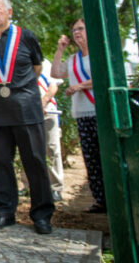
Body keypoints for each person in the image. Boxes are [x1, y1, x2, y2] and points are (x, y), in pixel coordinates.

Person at [0, 0, 54, 235]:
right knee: (1, 164)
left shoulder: (26, 36)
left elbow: (37, 67)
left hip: (27, 109)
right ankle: (5, 212)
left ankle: (42, 215)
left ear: (9, 11)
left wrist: (18, 86)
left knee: (35, 161)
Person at [51, 18, 106, 214]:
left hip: (101, 112)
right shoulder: (73, 60)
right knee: (91, 159)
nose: (77, 33)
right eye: (74, 30)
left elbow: (104, 76)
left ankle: (115, 198)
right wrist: (60, 50)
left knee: (107, 156)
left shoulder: (100, 55)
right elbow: (56, 72)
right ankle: (100, 199)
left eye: (81, 29)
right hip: (82, 114)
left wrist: (80, 86)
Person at [20, 60, 64, 202]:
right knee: (26, 148)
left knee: (51, 149)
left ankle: (55, 188)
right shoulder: (16, 62)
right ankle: (28, 185)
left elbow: (53, 86)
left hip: (47, 112)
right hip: (25, 112)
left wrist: (43, 101)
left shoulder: (45, 62)